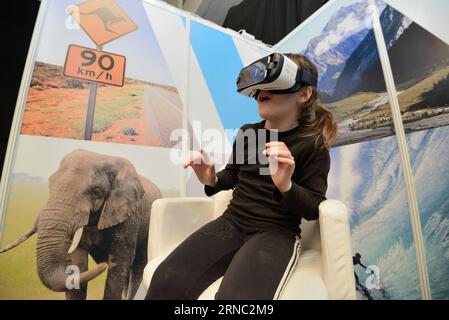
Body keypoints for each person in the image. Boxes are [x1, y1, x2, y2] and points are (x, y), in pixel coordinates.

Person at [145, 53, 337, 300]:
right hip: (232, 223)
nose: (260, 91)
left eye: (273, 84)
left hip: (275, 234)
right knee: (166, 278)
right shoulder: (248, 133)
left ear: (303, 94)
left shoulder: (312, 144)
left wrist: (286, 185)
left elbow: (313, 208)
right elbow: (232, 175)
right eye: (259, 86)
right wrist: (211, 179)